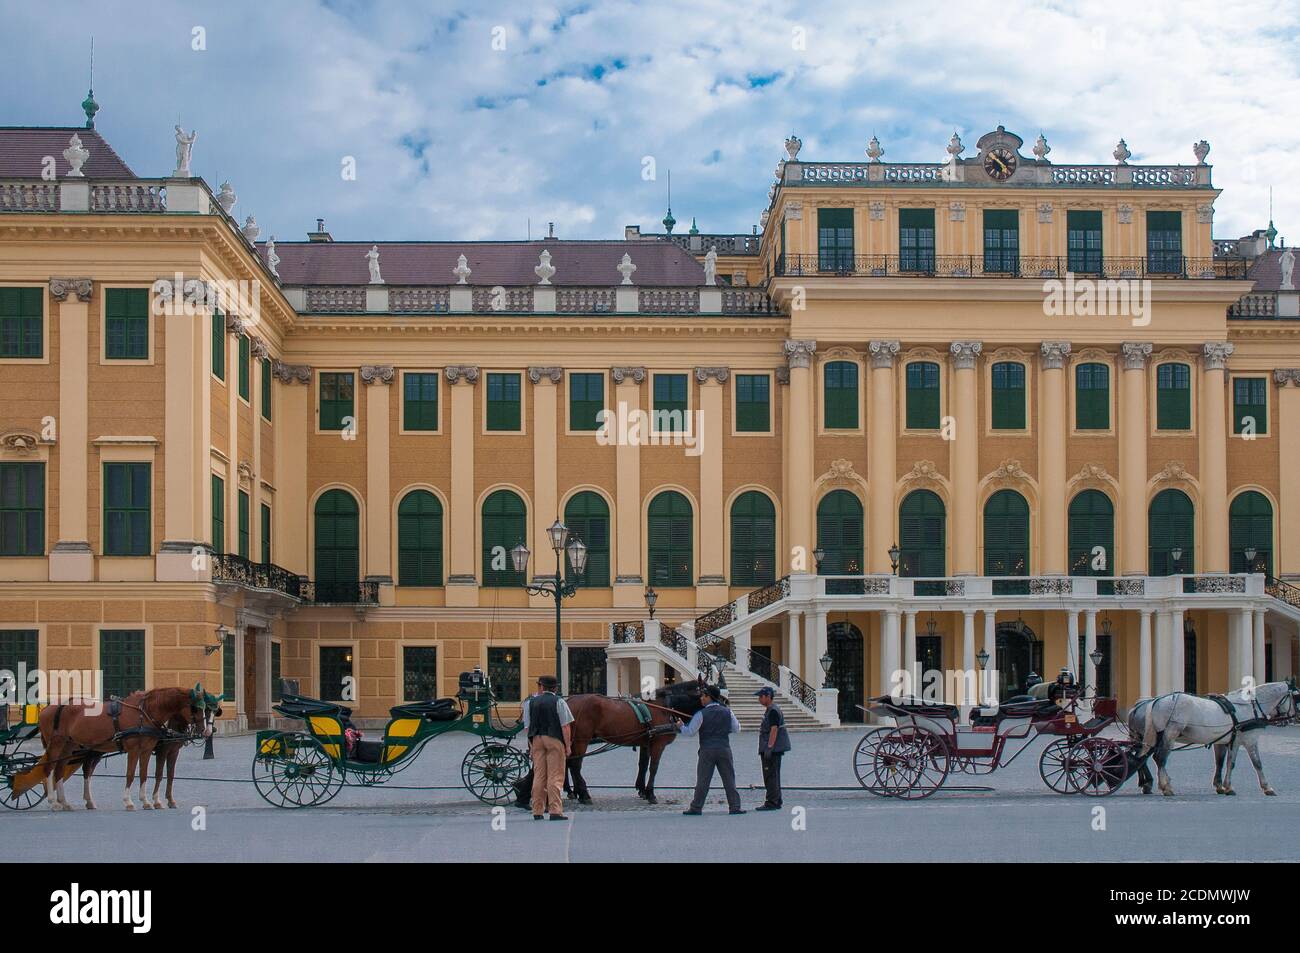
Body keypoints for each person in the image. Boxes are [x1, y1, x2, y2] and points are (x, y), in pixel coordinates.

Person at [678, 685, 745, 816]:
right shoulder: (727, 711)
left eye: (704, 696)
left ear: (709, 697)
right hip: (724, 748)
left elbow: (690, 732)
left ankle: (696, 807)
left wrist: (681, 726)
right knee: (729, 779)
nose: (701, 698)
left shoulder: (701, 714)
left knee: (703, 780)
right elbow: (737, 728)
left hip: (707, 750)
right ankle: (735, 806)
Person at [522, 675, 573, 820]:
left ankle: (537, 810)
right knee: (555, 776)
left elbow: (527, 727)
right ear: (555, 688)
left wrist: (531, 745)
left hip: (537, 739)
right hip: (554, 738)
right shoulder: (559, 701)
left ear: (542, 687)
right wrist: (567, 745)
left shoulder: (531, 702)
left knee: (539, 776)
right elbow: (565, 726)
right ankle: (555, 810)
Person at [754, 687, 790, 811]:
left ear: (768, 696)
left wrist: (769, 747)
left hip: (772, 749)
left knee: (770, 775)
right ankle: (777, 799)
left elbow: (774, 730)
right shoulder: (772, 710)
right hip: (775, 748)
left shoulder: (773, 711)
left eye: (761, 696)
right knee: (774, 774)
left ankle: (772, 801)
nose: (759, 699)